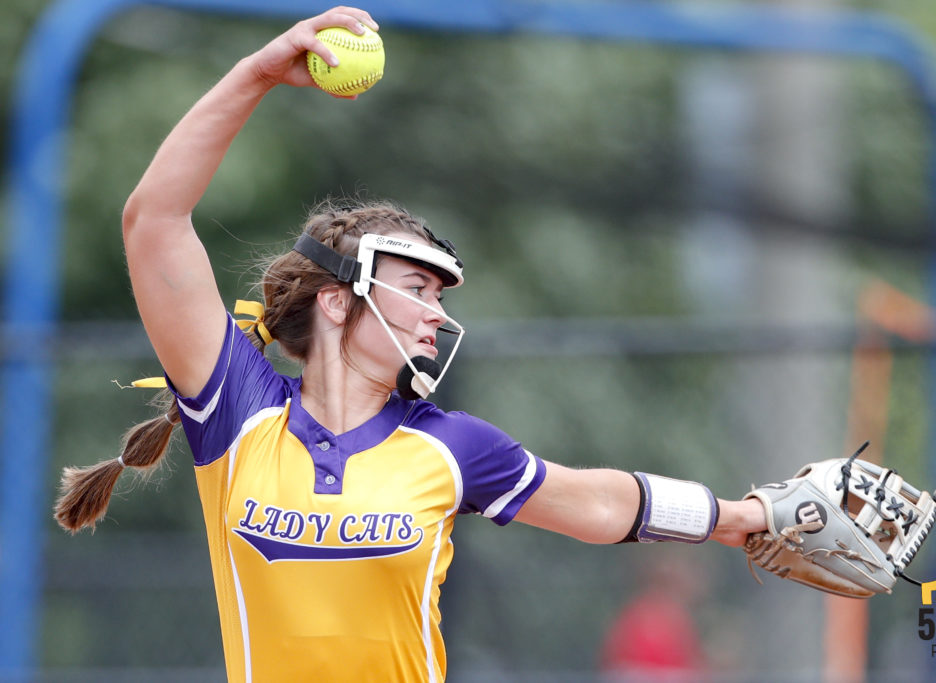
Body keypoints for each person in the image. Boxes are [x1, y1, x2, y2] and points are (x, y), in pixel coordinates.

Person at [54, 7, 768, 682]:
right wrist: (258, 74)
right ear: (337, 299)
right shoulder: (238, 413)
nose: (436, 313)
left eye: (440, 296)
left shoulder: (450, 446)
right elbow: (153, 221)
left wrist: (743, 518)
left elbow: (598, 502)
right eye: (417, 289)